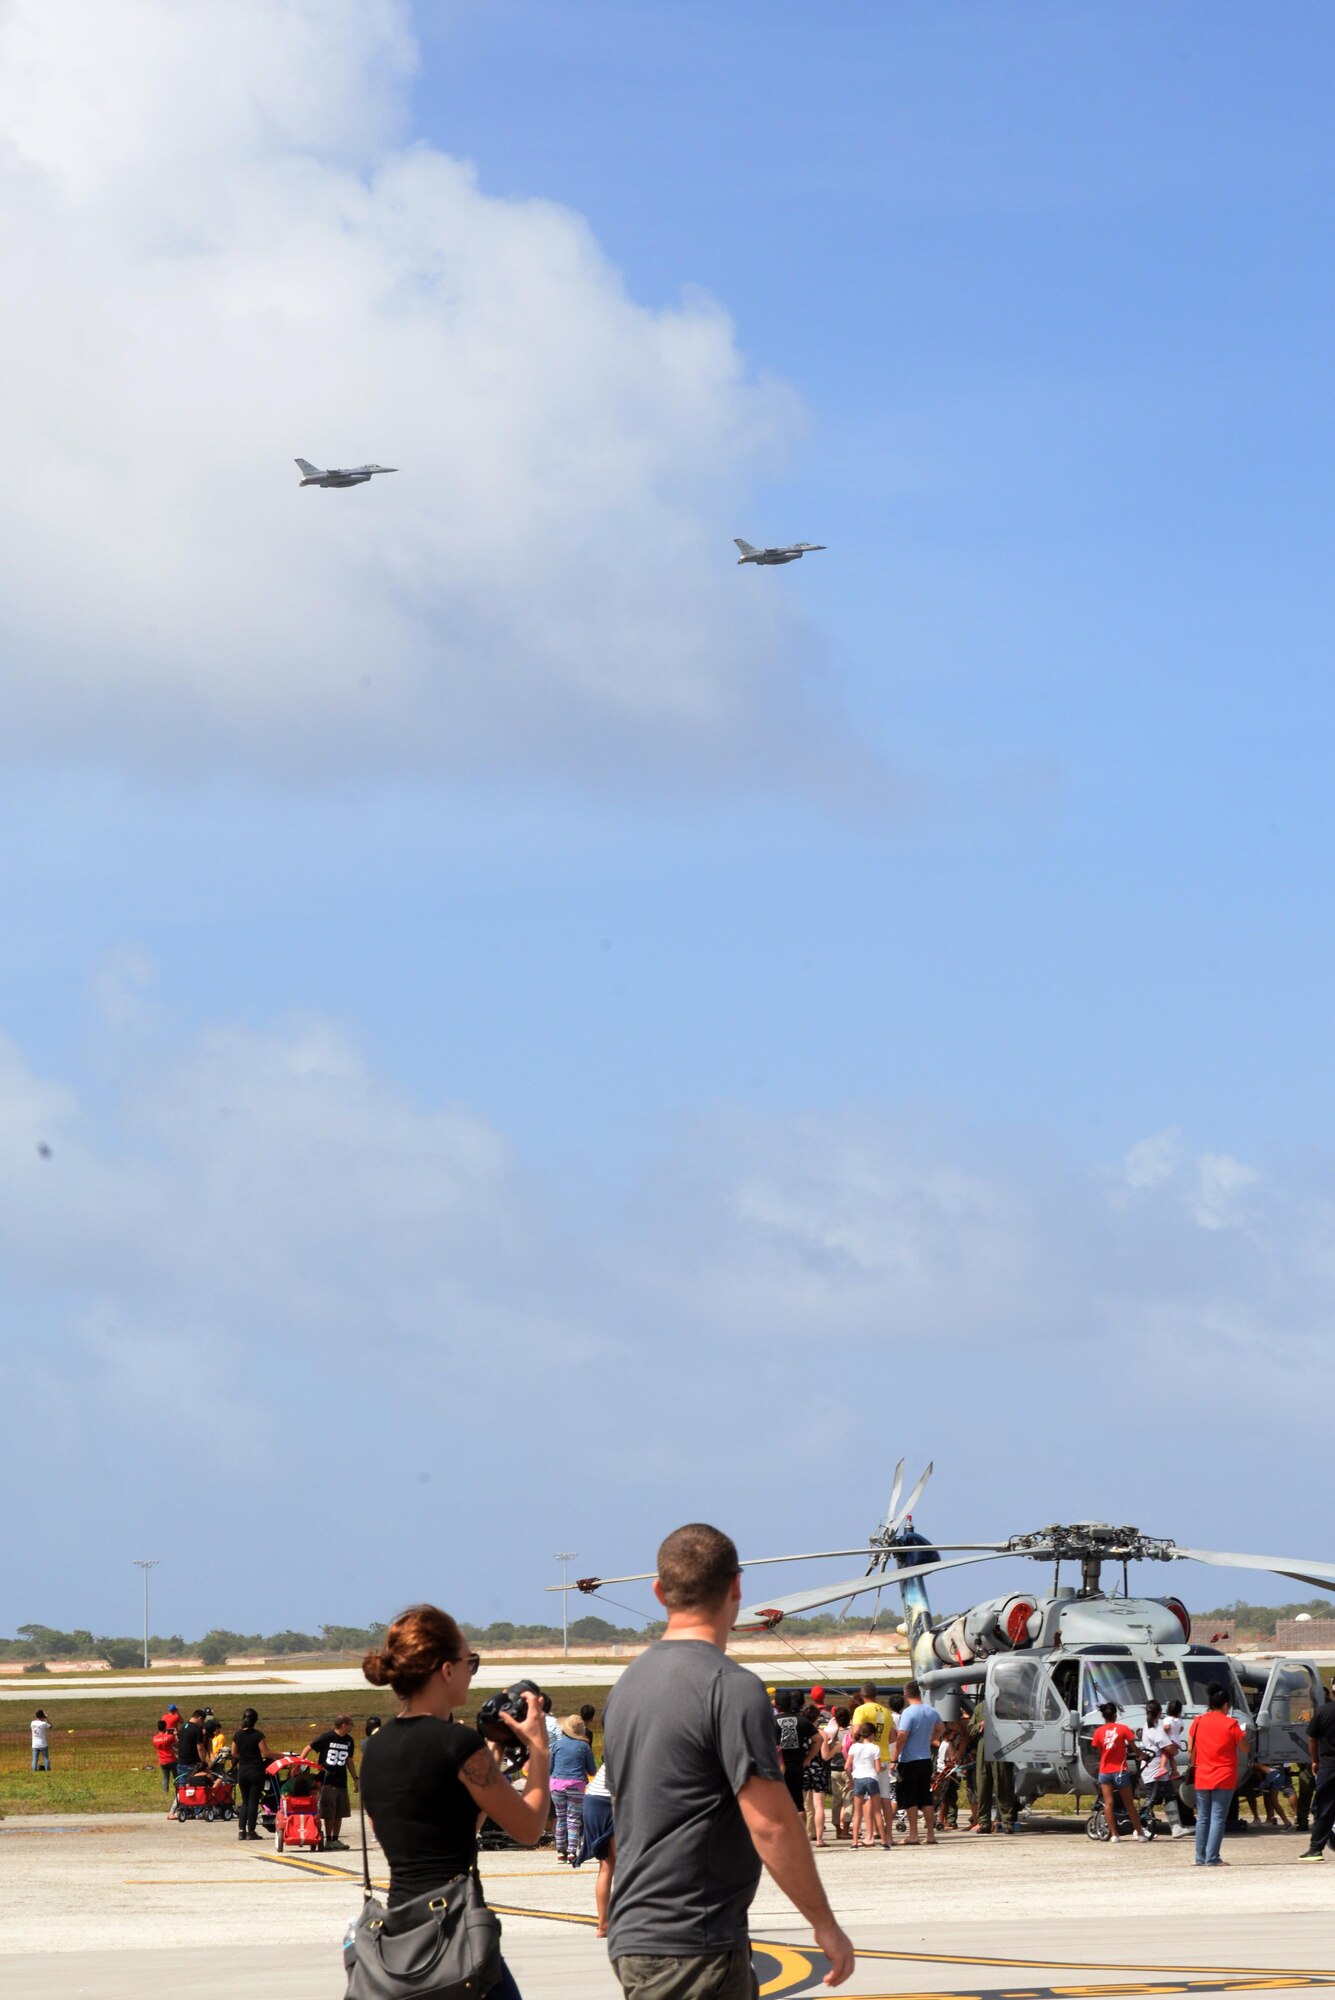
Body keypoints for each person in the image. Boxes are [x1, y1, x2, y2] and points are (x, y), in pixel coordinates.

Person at [602, 1521, 853, 1999]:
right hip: (693, 1937)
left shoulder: (627, 1686)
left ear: (659, 1592)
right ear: (737, 1586)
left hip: (636, 1930)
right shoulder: (729, 1686)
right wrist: (825, 1925)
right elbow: (772, 1825)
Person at [360, 1604, 550, 2000]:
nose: (470, 1671)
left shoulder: (375, 1748)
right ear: (446, 1670)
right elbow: (530, 1828)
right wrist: (540, 1752)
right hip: (454, 1933)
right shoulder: (457, 1744)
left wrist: (493, 1756)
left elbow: (447, 1826)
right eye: (470, 1662)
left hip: (400, 1935)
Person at [1188, 1684, 1246, 1867]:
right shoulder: (1231, 1724)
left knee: (1203, 1817)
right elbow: (1245, 1748)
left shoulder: (1198, 1721)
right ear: (1226, 1705)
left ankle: (1200, 1857)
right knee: (1218, 1818)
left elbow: (1190, 1747)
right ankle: (1212, 1857)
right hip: (1224, 1773)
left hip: (1203, 1773)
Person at [1091, 1702, 1151, 1843]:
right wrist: (1143, 1755)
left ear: (1103, 1716)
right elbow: (1134, 1748)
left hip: (1105, 1771)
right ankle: (1140, 1833)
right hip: (1120, 1770)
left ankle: (1114, 1835)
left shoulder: (1098, 1732)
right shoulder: (1123, 1729)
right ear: (1115, 1715)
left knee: (1108, 1803)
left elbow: (1099, 1751)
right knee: (1129, 1803)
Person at [893, 1683, 943, 1846]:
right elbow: (941, 1728)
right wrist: (933, 1739)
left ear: (905, 1694)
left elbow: (902, 1736)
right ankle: (930, 1834)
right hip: (925, 1759)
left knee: (910, 1798)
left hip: (910, 1760)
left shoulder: (908, 1713)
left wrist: (894, 1757)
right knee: (925, 1797)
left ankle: (913, 1834)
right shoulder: (931, 1710)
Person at [573, 1757, 617, 1937]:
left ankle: (603, 1924)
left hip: (593, 1800)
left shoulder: (620, 1743)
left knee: (606, 1865)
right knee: (625, 1864)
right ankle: (626, 1922)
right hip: (610, 1801)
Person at [303, 1713, 358, 1851]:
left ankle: (335, 1839)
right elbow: (308, 1748)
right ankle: (327, 1839)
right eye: (351, 1724)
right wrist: (298, 1765)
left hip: (341, 1779)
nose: (352, 1726)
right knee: (329, 1812)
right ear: (344, 1725)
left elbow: (349, 1760)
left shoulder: (349, 1741)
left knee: (340, 1811)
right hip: (327, 1779)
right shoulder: (327, 1737)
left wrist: (355, 1778)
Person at [849, 1683, 895, 1848]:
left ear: (862, 1694)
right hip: (883, 1755)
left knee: (868, 1799)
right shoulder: (886, 1711)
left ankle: (869, 1835)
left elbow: (855, 1732)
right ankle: (888, 1836)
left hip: (868, 1760)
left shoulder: (861, 1710)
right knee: (885, 1799)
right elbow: (892, 1736)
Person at [551, 1714, 596, 1862]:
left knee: (560, 1817)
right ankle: (571, 1851)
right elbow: (592, 1770)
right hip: (576, 1785)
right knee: (574, 1819)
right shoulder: (584, 1746)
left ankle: (560, 1851)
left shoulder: (557, 1745)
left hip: (557, 1784)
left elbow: (550, 1768)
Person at [1138, 1701, 1188, 1838]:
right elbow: (1169, 1748)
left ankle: (1176, 1827)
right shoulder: (1157, 1729)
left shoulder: (1147, 1727)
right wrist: (1176, 1750)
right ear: (1159, 1713)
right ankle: (1139, 1827)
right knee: (1151, 1798)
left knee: (1170, 1795)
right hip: (1155, 1770)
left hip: (1158, 1769)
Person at [969, 1694, 1017, 1835]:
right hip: (983, 1748)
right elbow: (970, 1728)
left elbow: (1014, 1728)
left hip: (1000, 1748)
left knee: (1003, 1785)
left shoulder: (1007, 1707)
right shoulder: (980, 1708)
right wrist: (980, 1726)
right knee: (983, 1787)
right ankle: (984, 1822)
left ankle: (1007, 1822)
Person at [1299, 1678, 1335, 1859]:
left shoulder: (1322, 1713)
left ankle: (1315, 1849)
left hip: (1329, 1765)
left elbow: (1312, 1739)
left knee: (1322, 1807)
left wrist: (1315, 1760)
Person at [231, 1708, 270, 1842]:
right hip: (255, 1771)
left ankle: (242, 1831)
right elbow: (266, 1753)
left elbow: (234, 1753)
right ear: (255, 1720)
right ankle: (251, 1831)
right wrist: (280, 1755)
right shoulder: (258, 1735)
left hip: (243, 1771)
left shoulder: (237, 1734)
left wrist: (245, 1756)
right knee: (253, 1801)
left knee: (245, 1801)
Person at [776, 1690, 814, 1812]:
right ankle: (802, 1831)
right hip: (797, 1765)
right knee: (798, 1803)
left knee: (779, 1803)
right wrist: (808, 1759)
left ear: (776, 1705)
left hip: (777, 1767)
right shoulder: (802, 1720)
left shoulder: (770, 1721)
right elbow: (818, 1739)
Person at [801, 1703, 833, 1844]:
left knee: (805, 1805)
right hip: (819, 1770)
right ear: (816, 1718)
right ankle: (820, 1838)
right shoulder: (822, 1734)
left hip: (805, 1770)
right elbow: (825, 1756)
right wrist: (837, 1748)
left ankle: (807, 1832)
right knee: (819, 1805)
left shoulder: (800, 1733)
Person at [847, 1724, 882, 1850]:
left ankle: (854, 1842)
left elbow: (846, 1766)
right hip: (871, 1777)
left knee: (857, 1814)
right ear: (872, 1735)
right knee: (877, 1811)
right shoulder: (875, 1748)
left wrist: (851, 1778)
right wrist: (881, 1769)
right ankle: (884, 1841)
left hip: (858, 1778)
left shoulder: (854, 1747)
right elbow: (878, 1768)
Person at [828, 1705, 852, 1839]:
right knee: (848, 1799)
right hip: (847, 1769)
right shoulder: (851, 1734)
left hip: (834, 1769)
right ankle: (846, 1829)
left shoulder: (832, 1733)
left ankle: (837, 1828)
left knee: (836, 1801)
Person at [152, 1718, 179, 1797]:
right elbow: (176, 1744)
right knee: (176, 1777)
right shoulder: (169, 1737)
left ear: (158, 1728)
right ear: (165, 1727)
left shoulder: (155, 1738)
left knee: (165, 1778)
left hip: (162, 1760)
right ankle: (178, 1791)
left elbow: (156, 1747)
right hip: (171, 1759)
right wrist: (175, 1734)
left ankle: (165, 1792)